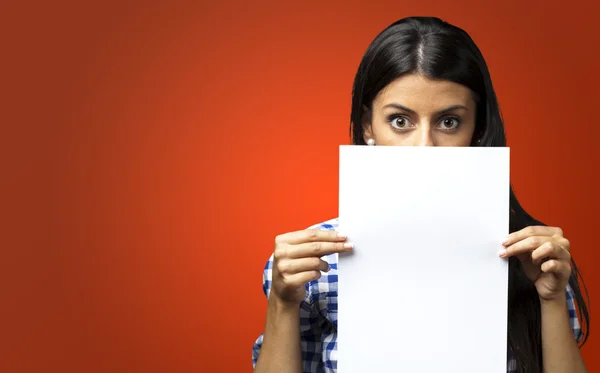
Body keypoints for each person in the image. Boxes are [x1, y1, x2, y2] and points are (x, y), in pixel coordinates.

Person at [251, 16, 590, 373]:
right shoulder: (313, 266)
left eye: (449, 122)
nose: (424, 146)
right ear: (368, 126)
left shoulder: (532, 259)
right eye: (400, 121)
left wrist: (551, 298)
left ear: (477, 130)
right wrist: (283, 304)